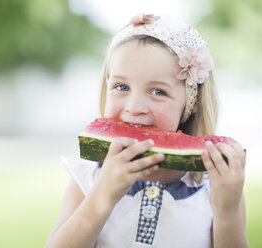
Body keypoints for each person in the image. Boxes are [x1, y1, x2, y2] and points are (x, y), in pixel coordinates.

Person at [45, 13, 248, 248]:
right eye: (122, 87)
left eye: (158, 92)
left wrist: (227, 211)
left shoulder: (214, 185)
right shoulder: (88, 178)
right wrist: (102, 196)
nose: (134, 108)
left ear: (192, 105)